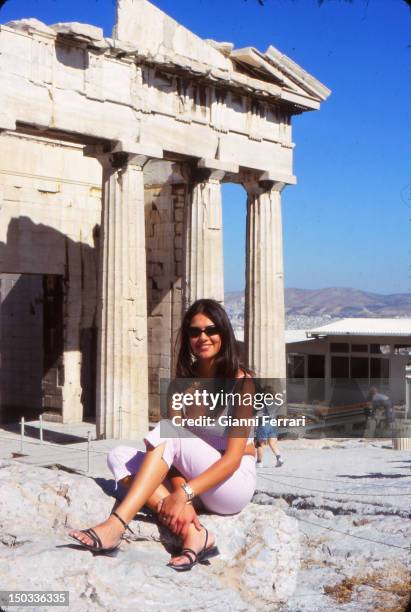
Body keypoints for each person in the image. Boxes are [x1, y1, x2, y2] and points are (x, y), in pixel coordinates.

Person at [69, 299, 256, 571]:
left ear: (224, 334)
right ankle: (193, 533)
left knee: (168, 433)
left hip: (231, 485)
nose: (203, 337)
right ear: (187, 338)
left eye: (210, 330)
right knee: (118, 456)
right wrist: (183, 496)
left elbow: (234, 459)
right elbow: (173, 456)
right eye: (194, 332)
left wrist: (184, 494)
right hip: (197, 481)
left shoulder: (242, 382)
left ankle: (116, 525)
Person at [254, 402, 284, 468]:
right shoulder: (274, 400)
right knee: (273, 443)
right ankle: (279, 458)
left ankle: (259, 462)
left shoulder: (259, 400)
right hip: (273, 423)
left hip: (263, 423)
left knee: (260, 444)